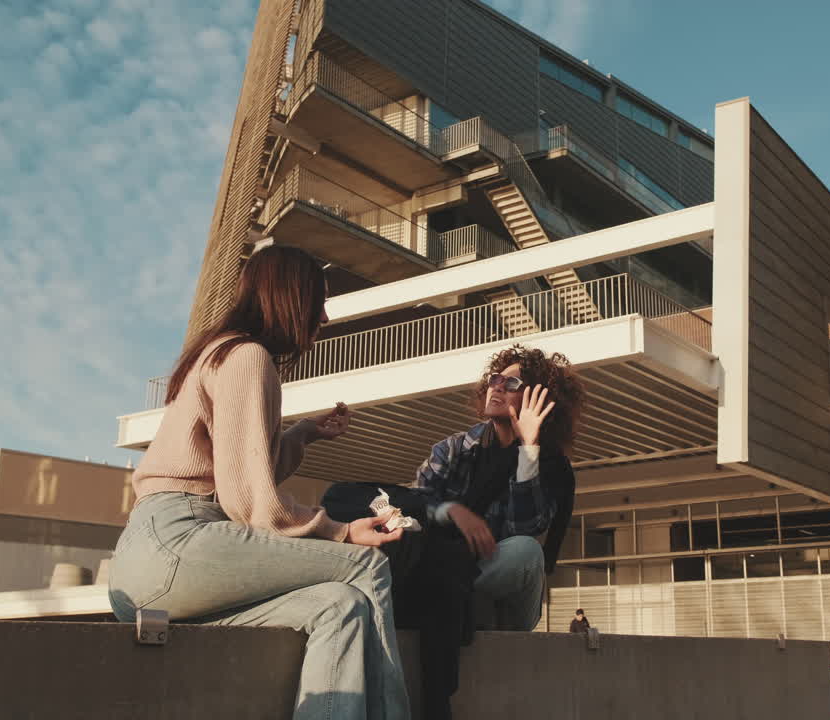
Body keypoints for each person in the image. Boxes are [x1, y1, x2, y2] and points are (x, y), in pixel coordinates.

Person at [108, 246, 411, 719]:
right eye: (318, 301)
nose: (324, 316)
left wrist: (303, 433)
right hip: (180, 540)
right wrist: (342, 531)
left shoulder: (222, 353)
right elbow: (251, 501)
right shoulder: (248, 356)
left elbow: (243, 469)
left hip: (148, 562)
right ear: (290, 299)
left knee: (339, 605)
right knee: (366, 568)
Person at [413, 344, 585, 632]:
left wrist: (529, 450)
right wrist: (450, 511)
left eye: (512, 384)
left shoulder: (552, 465)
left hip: (502, 592)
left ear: (538, 399)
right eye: (495, 380)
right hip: (448, 571)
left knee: (526, 551)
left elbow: (524, 530)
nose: (498, 387)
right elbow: (413, 505)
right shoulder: (455, 449)